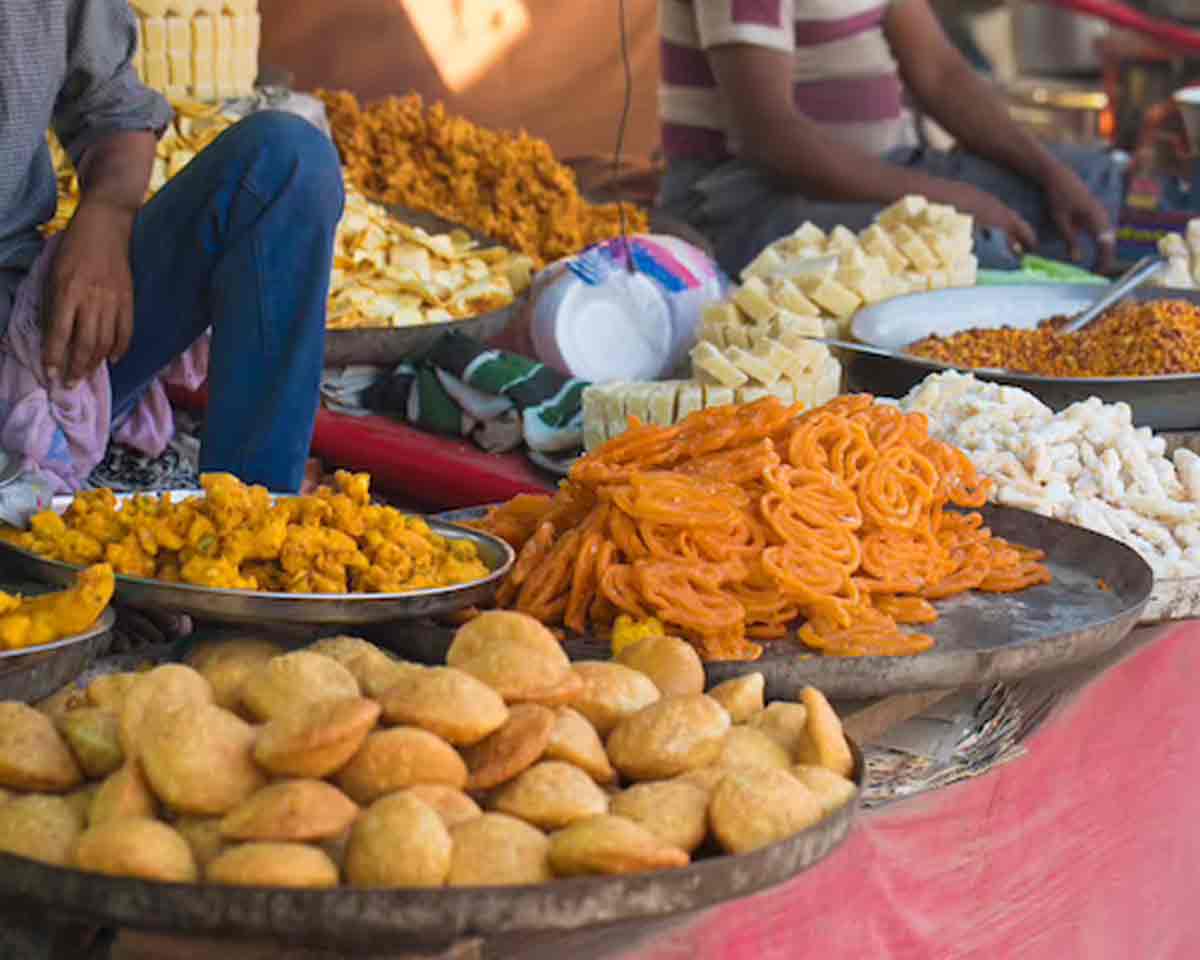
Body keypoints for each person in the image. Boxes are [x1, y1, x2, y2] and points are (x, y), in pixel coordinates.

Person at [0, 0, 343, 493]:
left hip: (31, 336)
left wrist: (106, 218)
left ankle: (250, 525)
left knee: (285, 164)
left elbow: (113, 112)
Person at [656, 0, 1124, 277]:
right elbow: (769, 138)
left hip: (881, 168)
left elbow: (940, 74)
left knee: (1093, 184)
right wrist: (943, 201)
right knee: (973, 245)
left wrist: (1049, 172)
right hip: (743, 197)